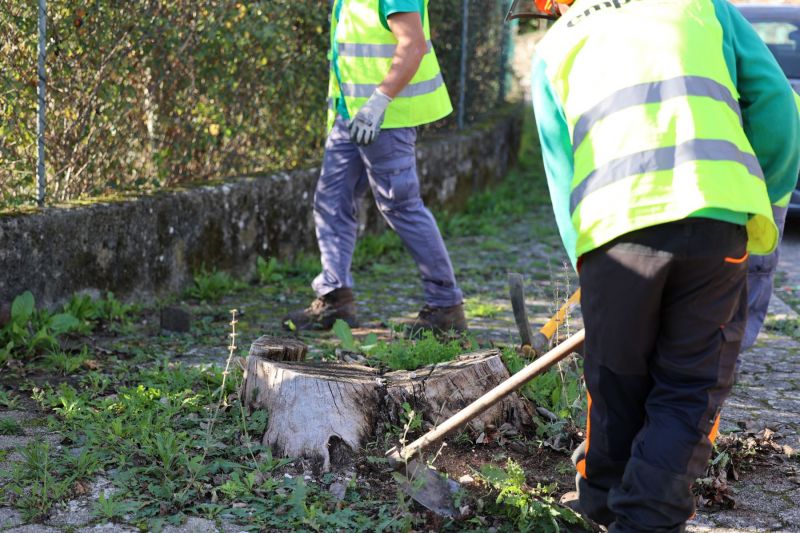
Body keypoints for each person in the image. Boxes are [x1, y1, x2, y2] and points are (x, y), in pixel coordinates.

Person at [510, 0, 800, 530]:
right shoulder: (702, 5)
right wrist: (770, 196)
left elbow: (561, 171)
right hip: (718, 220)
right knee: (689, 387)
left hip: (612, 231)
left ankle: (603, 502)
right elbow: (778, 102)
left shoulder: (554, 48)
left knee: (616, 381)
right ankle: (643, 518)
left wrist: (587, 256)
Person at [283, 0, 466, 333]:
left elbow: (412, 45)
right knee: (331, 199)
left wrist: (379, 101)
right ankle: (335, 297)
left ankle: (445, 306)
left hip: (385, 117)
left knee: (400, 206)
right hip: (350, 113)